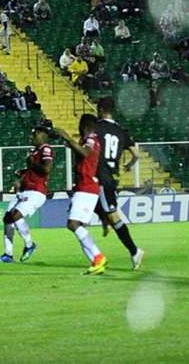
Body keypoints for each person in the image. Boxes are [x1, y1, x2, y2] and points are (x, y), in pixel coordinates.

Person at [94, 97, 144, 269]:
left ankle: (134, 250)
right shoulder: (121, 130)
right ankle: (104, 220)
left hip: (101, 176)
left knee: (113, 216)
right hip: (111, 176)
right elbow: (137, 154)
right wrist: (128, 165)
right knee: (99, 207)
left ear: (100, 109)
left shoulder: (96, 128)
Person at [54, 114, 107, 275]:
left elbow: (85, 153)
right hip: (84, 187)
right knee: (77, 226)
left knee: (73, 224)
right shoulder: (92, 140)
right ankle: (96, 263)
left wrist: (67, 138)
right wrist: (70, 144)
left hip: (87, 187)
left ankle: (98, 256)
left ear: (84, 125)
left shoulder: (91, 139)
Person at [0, 127, 52, 263]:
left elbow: (46, 169)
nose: (32, 138)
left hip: (36, 191)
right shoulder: (35, 151)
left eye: (34, 135)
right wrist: (23, 174)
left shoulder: (46, 149)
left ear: (41, 135)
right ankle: (8, 255)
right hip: (25, 190)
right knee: (8, 219)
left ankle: (30, 245)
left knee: (15, 215)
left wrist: (32, 164)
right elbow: (33, 170)